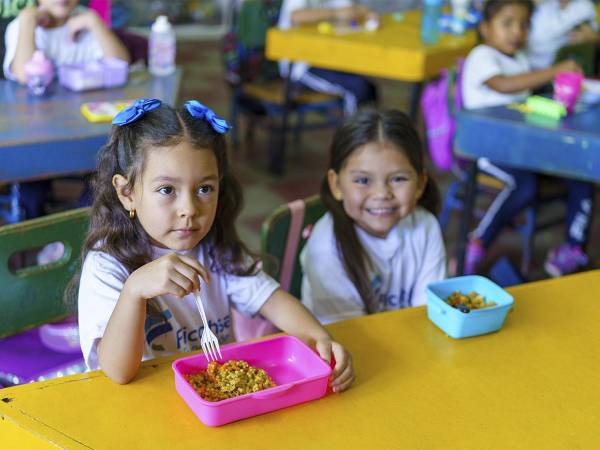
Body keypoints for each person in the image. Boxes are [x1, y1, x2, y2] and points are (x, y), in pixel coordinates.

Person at [76, 98, 354, 391]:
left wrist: (320, 338)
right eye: (167, 189)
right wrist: (134, 291)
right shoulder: (107, 263)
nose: (189, 208)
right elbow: (118, 372)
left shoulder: (214, 248)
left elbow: (272, 300)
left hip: (214, 404)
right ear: (127, 192)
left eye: (204, 189)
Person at [461, 0, 594, 276]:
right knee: (523, 185)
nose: (516, 32)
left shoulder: (520, 59)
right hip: (485, 148)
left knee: (581, 171)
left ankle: (572, 248)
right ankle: (478, 241)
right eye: (507, 23)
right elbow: (504, 85)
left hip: (520, 147)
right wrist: (554, 71)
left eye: (523, 25)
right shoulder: (482, 56)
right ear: (485, 28)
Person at [300, 109, 446, 324]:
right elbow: (349, 336)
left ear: (420, 184)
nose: (381, 194)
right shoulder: (325, 247)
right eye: (362, 180)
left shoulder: (426, 226)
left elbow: (428, 315)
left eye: (398, 179)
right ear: (336, 184)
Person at [3, 0, 130, 223]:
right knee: (30, 185)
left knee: (106, 173)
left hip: (81, 126)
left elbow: (121, 63)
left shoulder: (85, 20)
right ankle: (33, 233)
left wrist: (93, 22)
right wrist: (28, 21)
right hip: (32, 130)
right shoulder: (23, 25)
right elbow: (24, 73)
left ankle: (77, 229)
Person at [277, 0, 378, 115]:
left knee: (370, 89)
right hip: (300, 67)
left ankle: (372, 131)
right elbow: (295, 16)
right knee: (357, 88)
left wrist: (366, 13)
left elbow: (350, 9)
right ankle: (351, 132)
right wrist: (336, 13)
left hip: (328, 60)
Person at [528, 0, 598, 71]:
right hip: (529, 64)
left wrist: (587, 37)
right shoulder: (544, 6)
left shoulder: (583, 6)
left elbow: (593, 36)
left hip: (560, 67)